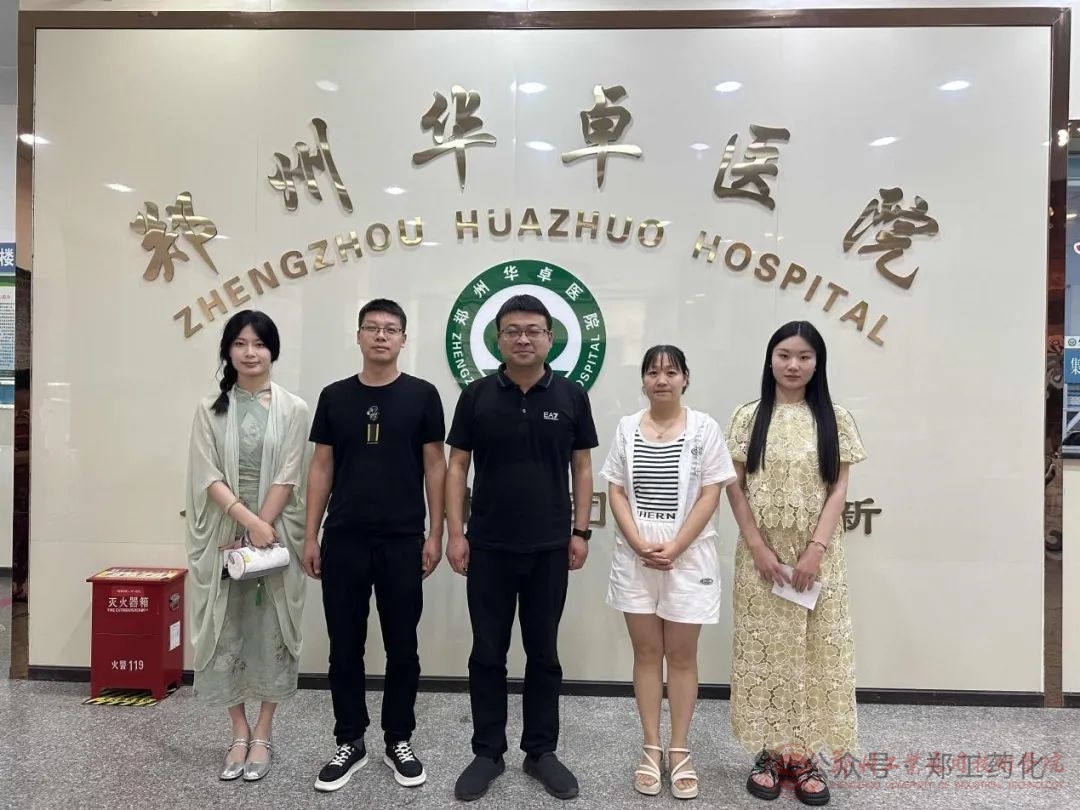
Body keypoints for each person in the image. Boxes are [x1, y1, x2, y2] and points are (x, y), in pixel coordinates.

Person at [445, 294, 598, 802]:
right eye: (513, 331)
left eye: (533, 330)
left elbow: (582, 467)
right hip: (487, 546)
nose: (523, 339)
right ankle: (487, 752)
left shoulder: (572, 395)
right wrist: (455, 533)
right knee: (487, 653)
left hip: (550, 547)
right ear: (498, 339)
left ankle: (540, 751)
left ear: (550, 338)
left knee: (544, 653)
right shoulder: (477, 395)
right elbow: (457, 466)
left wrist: (580, 532)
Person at [303, 298, 446, 793]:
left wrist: (436, 533)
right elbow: (321, 465)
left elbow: (435, 465)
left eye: (390, 329)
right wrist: (310, 534)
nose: (381, 336)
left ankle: (398, 738)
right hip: (343, 537)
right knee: (344, 647)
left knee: (403, 646)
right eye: (372, 328)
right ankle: (350, 740)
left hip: (403, 539)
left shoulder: (423, 395)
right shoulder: (334, 396)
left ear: (404, 338)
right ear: (359, 336)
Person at [724, 321, 866, 806]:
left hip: (818, 560)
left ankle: (803, 756)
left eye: (804, 356)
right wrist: (759, 549)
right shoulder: (747, 417)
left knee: (811, 653)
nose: (793, 365)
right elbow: (734, 486)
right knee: (766, 652)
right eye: (784, 355)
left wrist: (815, 549)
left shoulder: (835, 418)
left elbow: (839, 488)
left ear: (817, 363)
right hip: (759, 560)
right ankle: (769, 752)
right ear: (770, 359)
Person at [600, 345, 736, 800]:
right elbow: (616, 491)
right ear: (643, 380)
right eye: (653, 372)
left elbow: (711, 493)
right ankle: (650, 747)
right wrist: (639, 541)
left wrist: (676, 546)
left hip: (688, 555)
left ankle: (679, 750)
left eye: (671, 372)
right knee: (645, 653)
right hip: (636, 554)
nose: (662, 380)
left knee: (680, 656)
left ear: (685, 379)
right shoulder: (626, 428)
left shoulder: (704, 429)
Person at [185, 310, 311, 783]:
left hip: (276, 534)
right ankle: (238, 732)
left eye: (259, 344)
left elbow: (290, 474)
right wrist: (247, 522)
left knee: (272, 627)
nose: (250, 352)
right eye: (240, 343)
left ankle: (263, 731)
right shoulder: (209, 409)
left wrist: (264, 526)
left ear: (273, 350)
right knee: (226, 629)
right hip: (225, 532)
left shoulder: (294, 408)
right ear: (228, 351)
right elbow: (207, 474)